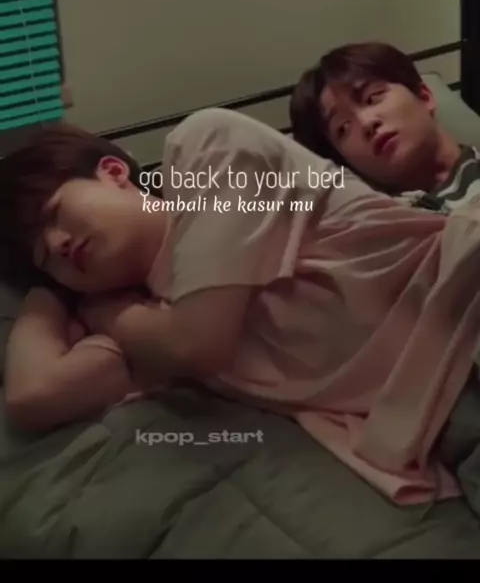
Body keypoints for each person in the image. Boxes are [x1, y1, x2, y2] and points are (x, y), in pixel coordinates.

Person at [2, 108, 480, 509]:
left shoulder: (205, 149)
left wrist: (104, 312)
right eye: (46, 256)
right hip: (444, 426)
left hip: (462, 307)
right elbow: (33, 396)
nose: (58, 243)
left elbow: (196, 344)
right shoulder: (148, 323)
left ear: (112, 172)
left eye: (55, 213)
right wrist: (49, 293)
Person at [289, 41, 480, 212]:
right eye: (343, 128)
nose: (366, 123)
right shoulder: (380, 226)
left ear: (424, 97)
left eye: (372, 98)